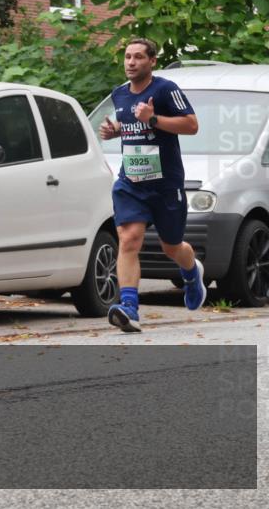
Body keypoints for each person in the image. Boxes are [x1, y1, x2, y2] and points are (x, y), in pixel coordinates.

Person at [99, 37, 205, 332]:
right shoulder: (119, 94)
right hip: (131, 182)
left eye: (138, 57)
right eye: (127, 57)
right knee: (129, 239)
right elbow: (130, 123)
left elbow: (192, 125)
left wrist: (154, 117)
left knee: (172, 246)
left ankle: (191, 272)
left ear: (152, 61)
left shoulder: (165, 89)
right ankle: (129, 307)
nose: (131, 62)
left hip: (165, 184)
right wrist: (115, 131)